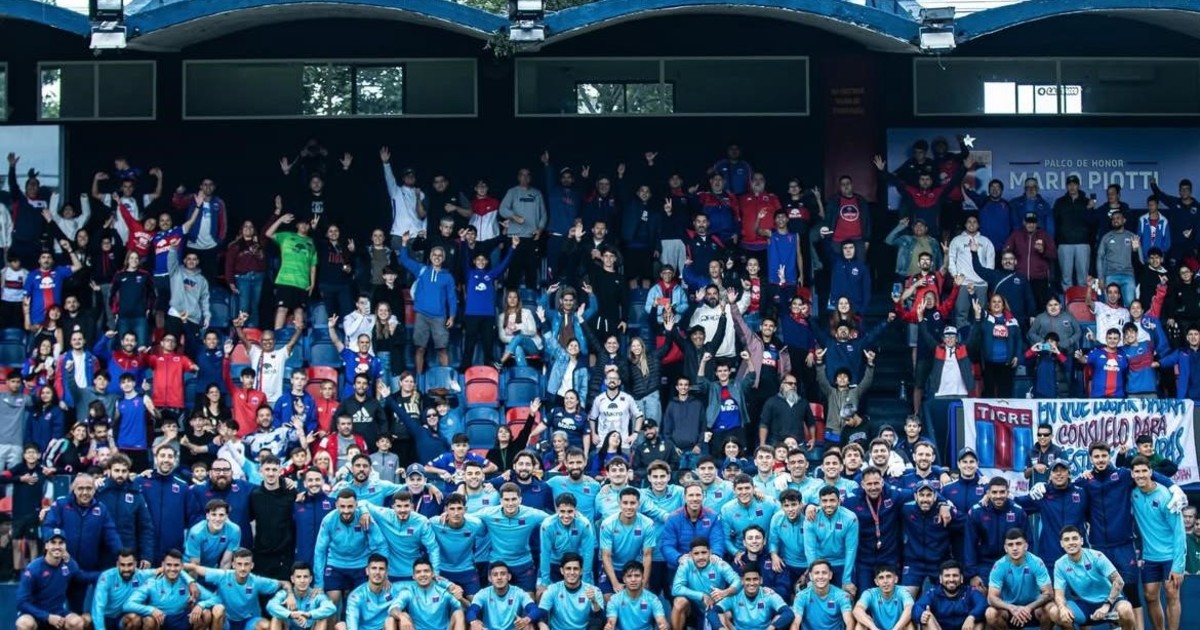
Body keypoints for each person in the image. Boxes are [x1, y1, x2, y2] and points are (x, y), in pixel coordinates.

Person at [1129, 456, 1186, 630]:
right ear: (1132, 474)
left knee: (1171, 594)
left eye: (1144, 471)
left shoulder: (1167, 496)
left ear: (1151, 472)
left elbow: (1179, 533)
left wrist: (1178, 566)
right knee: (1150, 596)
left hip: (1171, 556)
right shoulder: (1133, 493)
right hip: (1149, 556)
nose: (1140, 475)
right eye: (1137, 471)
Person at [313, 489, 386, 609]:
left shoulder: (364, 518)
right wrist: (318, 583)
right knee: (332, 601)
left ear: (356, 505)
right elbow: (320, 551)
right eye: (342, 506)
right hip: (336, 564)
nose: (346, 511)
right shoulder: (329, 520)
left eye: (350, 506)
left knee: (360, 602)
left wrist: (383, 574)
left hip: (360, 564)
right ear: (336, 505)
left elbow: (381, 545)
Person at [1052, 526, 1135, 630]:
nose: (1071, 542)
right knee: (1055, 612)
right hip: (1084, 606)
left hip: (1110, 603)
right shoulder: (1060, 564)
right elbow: (1059, 595)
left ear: (1081, 541)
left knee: (1126, 610)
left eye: (1075, 538)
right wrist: (1062, 608)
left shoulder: (1096, 556)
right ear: (1061, 543)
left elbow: (1119, 581)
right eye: (1066, 540)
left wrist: (1106, 605)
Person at [185, 547, 283, 630]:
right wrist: (189, 580)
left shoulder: (257, 581)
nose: (243, 568)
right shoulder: (223, 576)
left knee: (266, 626)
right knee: (218, 609)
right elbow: (194, 568)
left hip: (249, 621)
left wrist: (290, 594)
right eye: (239, 564)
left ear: (252, 565)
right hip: (227, 621)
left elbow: (284, 583)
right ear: (233, 565)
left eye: (246, 564)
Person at [15, 530, 96, 630]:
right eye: (53, 542)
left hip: (58, 613)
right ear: (46, 546)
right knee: (24, 623)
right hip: (35, 614)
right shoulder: (33, 568)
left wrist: (105, 574)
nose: (57, 546)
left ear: (65, 546)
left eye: (61, 543)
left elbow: (83, 577)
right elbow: (21, 602)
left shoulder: (69, 565)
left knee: (76, 622)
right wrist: (47, 617)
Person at [126, 549, 224, 630]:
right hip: (160, 621)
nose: (172, 569)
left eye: (176, 565)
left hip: (182, 621)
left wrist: (200, 605)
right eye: (169, 565)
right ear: (163, 565)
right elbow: (128, 604)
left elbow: (217, 599)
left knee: (205, 613)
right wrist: (151, 610)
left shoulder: (189, 584)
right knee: (148, 620)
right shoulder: (152, 583)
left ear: (182, 566)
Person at [983, 529, 1054, 630]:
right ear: (1005, 548)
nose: (1015, 548)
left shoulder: (1036, 562)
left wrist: (1028, 608)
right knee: (990, 613)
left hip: (1034, 608)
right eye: (1010, 545)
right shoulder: (999, 565)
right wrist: (1012, 608)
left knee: (1051, 609)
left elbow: (1049, 593)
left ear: (1026, 546)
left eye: (1018, 544)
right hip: (1009, 609)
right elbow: (991, 598)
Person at [964, 478, 1029, 588]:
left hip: (1011, 563)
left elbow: (1027, 542)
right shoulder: (976, 512)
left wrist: (1024, 567)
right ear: (988, 493)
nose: (998, 496)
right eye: (994, 492)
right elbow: (969, 545)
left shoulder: (1018, 512)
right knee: (979, 593)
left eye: (1002, 492)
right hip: (984, 565)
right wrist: (972, 575)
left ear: (1008, 493)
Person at [670, 538, 741, 630]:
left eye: (704, 552)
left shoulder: (718, 563)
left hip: (715, 607)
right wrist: (701, 596)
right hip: (694, 608)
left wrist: (724, 592)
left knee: (727, 612)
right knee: (679, 602)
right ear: (690, 555)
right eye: (696, 553)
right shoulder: (685, 564)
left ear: (710, 552)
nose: (700, 557)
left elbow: (737, 581)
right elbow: (676, 589)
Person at [599, 487, 657, 597]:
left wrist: (644, 583)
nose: (629, 507)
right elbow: (606, 556)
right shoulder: (607, 524)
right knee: (608, 598)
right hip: (613, 568)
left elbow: (647, 555)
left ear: (639, 504)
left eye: (632, 503)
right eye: (625, 503)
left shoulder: (648, 524)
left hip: (635, 569)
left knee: (639, 599)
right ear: (619, 503)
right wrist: (615, 583)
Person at [803, 486, 858, 595]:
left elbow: (851, 550)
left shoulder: (850, 518)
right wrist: (814, 575)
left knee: (848, 595)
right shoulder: (811, 517)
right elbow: (810, 550)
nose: (828, 504)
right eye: (824, 501)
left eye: (832, 500)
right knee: (816, 595)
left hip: (843, 563)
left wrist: (846, 580)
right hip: (820, 563)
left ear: (839, 501)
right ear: (819, 502)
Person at [389, 557, 468, 630]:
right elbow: (393, 608)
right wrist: (402, 617)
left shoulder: (443, 591)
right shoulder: (408, 592)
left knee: (459, 613)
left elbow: (467, 608)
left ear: (433, 574)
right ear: (413, 576)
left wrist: (461, 599)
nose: (422, 574)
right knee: (402, 616)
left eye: (426, 571)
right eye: (418, 572)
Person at [537, 552, 605, 630]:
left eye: (575, 569)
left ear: (581, 571)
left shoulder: (594, 591)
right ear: (562, 571)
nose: (572, 572)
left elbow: (599, 621)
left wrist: (594, 601)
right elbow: (541, 614)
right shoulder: (552, 590)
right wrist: (542, 625)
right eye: (568, 568)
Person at [913, 561, 986, 630]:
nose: (951, 579)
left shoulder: (970, 592)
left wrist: (972, 616)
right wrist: (921, 614)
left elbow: (983, 603)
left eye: (955, 575)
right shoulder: (933, 593)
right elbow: (917, 607)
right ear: (941, 579)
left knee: (979, 620)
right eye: (947, 576)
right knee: (927, 616)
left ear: (961, 578)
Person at [467, 562, 540, 629]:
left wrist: (526, 620)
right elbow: (471, 611)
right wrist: (474, 621)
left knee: (528, 625)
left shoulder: (518, 592)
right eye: (495, 575)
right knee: (473, 626)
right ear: (490, 578)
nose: (499, 577)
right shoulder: (483, 593)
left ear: (509, 577)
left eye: (503, 574)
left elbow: (535, 610)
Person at [265, 562, 336, 630]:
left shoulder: (316, 595)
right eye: (298, 577)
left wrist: (309, 614)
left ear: (310, 579)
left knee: (323, 618)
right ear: (292, 579)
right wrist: (291, 614)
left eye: (305, 577)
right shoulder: (285, 594)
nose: (302, 581)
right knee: (276, 617)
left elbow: (331, 607)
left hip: (311, 628)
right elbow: (270, 605)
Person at [604, 561, 668, 630]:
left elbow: (661, 620)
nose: (633, 579)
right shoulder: (614, 599)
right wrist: (609, 626)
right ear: (624, 579)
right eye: (629, 576)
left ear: (643, 578)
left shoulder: (653, 599)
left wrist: (664, 626)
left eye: (637, 576)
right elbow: (611, 621)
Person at [853, 565, 914, 630]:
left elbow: (910, 608)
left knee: (909, 624)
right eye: (881, 578)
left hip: (898, 628)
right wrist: (873, 628)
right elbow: (857, 610)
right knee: (861, 624)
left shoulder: (902, 591)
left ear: (896, 579)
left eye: (888, 576)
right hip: (876, 628)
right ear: (876, 582)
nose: (885, 581)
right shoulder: (870, 593)